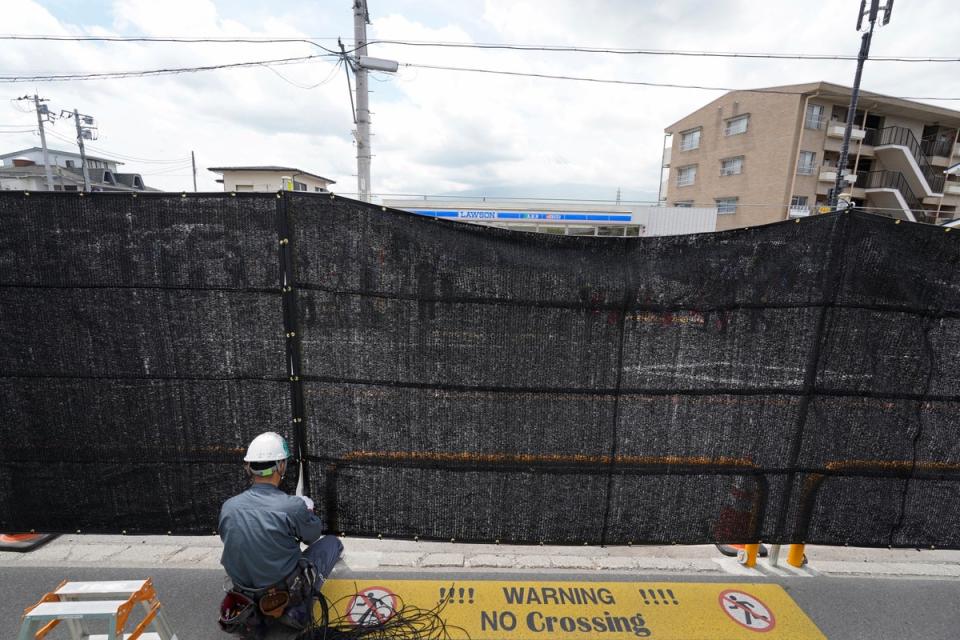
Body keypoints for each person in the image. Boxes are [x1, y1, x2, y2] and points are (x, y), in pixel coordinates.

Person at [219, 432, 342, 633]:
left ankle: (254, 613)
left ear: (248, 467)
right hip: (282, 588)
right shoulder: (291, 506)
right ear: (281, 466)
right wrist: (307, 512)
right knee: (331, 543)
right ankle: (296, 608)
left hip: (243, 591)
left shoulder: (229, 507)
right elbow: (312, 537)